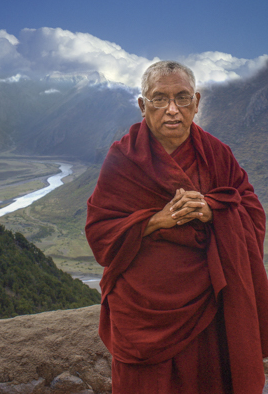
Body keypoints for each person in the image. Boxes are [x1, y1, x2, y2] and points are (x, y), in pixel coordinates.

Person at [85, 61, 268, 394]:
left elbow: (252, 214)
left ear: (196, 103)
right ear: (143, 106)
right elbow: (100, 234)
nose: (172, 110)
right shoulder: (122, 160)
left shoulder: (217, 155)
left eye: (182, 98)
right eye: (159, 99)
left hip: (207, 309)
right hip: (141, 314)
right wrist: (157, 220)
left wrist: (212, 211)